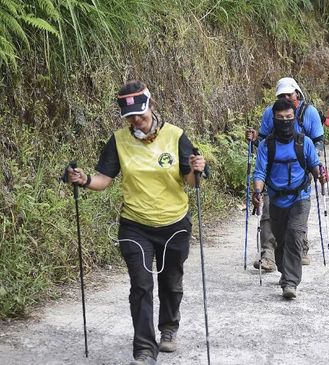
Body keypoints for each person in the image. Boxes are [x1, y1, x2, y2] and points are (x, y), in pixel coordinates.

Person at [65, 81, 206, 365]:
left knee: (172, 281)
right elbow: (104, 179)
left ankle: (168, 327)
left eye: (140, 115)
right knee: (140, 286)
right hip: (135, 225)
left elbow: (190, 181)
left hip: (174, 223)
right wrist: (84, 180)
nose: (136, 121)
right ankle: (143, 348)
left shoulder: (176, 136)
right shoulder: (118, 140)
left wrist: (195, 169)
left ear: (151, 106)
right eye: (130, 117)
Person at [246, 77, 325, 270]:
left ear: (297, 93)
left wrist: (313, 165)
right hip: (273, 172)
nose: (286, 98)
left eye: (289, 94)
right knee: (268, 212)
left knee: (297, 212)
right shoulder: (270, 113)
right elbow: (264, 142)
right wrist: (255, 139)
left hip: (301, 168)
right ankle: (268, 255)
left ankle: (300, 247)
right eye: (281, 95)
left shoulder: (310, 113)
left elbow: (319, 141)